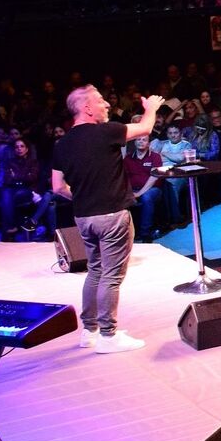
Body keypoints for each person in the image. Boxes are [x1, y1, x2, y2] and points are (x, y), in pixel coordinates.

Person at [50, 86, 165, 354]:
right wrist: (151, 108)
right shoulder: (106, 131)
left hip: (83, 217)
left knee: (96, 270)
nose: (107, 106)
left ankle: (88, 331)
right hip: (112, 215)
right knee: (111, 276)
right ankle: (108, 335)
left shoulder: (62, 144)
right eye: (101, 102)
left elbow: (57, 187)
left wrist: (82, 198)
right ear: (87, 108)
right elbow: (145, 129)